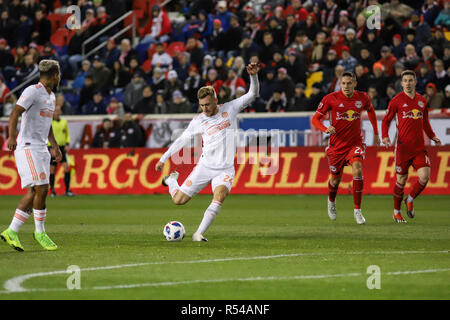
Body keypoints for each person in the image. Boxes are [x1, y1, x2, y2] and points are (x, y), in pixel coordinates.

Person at [155, 63, 260, 242]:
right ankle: (171, 180)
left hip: (225, 168)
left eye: (208, 105)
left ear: (215, 100)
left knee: (219, 195)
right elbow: (181, 140)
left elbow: (253, 94)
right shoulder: (198, 121)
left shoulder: (231, 108)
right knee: (178, 200)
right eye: (202, 105)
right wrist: (164, 158)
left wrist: (253, 77)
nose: (205, 109)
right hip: (205, 166)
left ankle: (198, 234)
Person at [1, 60, 62, 251]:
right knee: (42, 188)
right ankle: (40, 232)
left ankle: (11, 231)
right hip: (28, 147)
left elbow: (47, 124)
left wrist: (55, 145)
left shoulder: (51, 97)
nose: (59, 78)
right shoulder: (32, 91)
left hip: (42, 147)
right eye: (58, 75)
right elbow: (15, 112)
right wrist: (11, 136)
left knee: (35, 191)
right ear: (54, 75)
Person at [311, 71, 380, 224]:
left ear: (355, 84)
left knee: (357, 168)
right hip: (336, 146)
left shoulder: (362, 98)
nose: (346, 86)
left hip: (355, 143)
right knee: (335, 180)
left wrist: (376, 132)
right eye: (344, 83)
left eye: (349, 83)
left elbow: (371, 111)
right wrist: (325, 129)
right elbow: (315, 119)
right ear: (340, 84)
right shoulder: (331, 99)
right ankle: (331, 201)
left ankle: (357, 210)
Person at [381, 70, 441, 223]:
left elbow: (425, 122)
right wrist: (385, 136)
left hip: (419, 148)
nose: (408, 83)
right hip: (403, 148)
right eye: (405, 80)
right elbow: (386, 120)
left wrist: (433, 135)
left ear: (415, 82)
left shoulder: (422, 101)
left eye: (410, 80)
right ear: (401, 84)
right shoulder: (396, 101)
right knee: (401, 180)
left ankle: (410, 198)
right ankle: (396, 212)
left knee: (425, 176)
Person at [48, 105, 74, 197]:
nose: (57, 113)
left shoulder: (64, 122)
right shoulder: (49, 122)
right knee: (52, 169)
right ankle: (52, 191)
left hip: (62, 148)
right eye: (55, 111)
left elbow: (67, 134)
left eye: (59, 111)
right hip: (52, 148)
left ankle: (67, 190)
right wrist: (50, 147)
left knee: (66, 167)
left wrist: (67, 144)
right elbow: (46, 135)